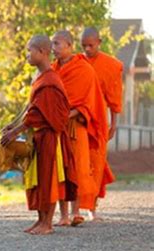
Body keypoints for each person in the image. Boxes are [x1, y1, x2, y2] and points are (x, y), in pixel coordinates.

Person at [1, 35, 77, 235]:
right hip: (38, 137)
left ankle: (48, 223)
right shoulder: (39, 78)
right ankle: (40, 220)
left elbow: (39, 113)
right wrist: (14, 124)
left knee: (47, 178)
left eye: (29, 50)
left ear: (42, 52)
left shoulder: (51, 79)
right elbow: (30, 107)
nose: (27, 55)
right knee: (37, 179)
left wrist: (16, 132)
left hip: (50, 137)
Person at [51, 30, 105, 226]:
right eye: (52, 44)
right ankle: (63, 215)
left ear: (69, 45)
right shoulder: (51, 70)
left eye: (57, 44)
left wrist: (69, 115)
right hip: (57, 126)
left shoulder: (84, 69)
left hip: (75, 125)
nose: (53, 48)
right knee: (59, 169)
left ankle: (76, 212)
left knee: (78, 167)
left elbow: (88, 102)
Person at [81, 27, 122, 220]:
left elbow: (114, 98)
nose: (87, 49)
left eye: (91, 45)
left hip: (99, 122)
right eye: (84, 46)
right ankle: (75, 207)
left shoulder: (111, 66)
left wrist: (113, 124)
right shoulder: (76, 64)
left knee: (96, 163)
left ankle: (92, 207)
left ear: (99, 42)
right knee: (79, 162)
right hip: (78, 122)